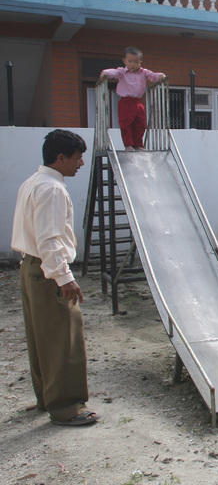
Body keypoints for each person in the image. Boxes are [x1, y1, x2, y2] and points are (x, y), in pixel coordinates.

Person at [11, 129, 99, 427]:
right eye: (77, 158)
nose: (81, 163)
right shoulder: (52, 189)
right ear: (60, 158)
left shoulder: (33, 182)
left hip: (30, 268)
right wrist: (64, 278)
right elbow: (49, 239)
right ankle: (65, 407)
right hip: (48, 271)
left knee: (41, 338)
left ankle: (46, 397)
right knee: (64, 338)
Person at [100, 47, 166, 151]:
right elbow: (113, 72)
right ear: (124, 61)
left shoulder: (144, 72)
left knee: (141, 124)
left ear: (140, 62)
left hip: (138, 102)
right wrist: (105, 73)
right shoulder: (122, 72)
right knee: (126, 123)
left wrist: (161, 76)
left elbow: (153, 76)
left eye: (136, 62)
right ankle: (128, 145)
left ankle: (138, 144)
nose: (133, 64)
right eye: (130, 61)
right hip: (126, 101)